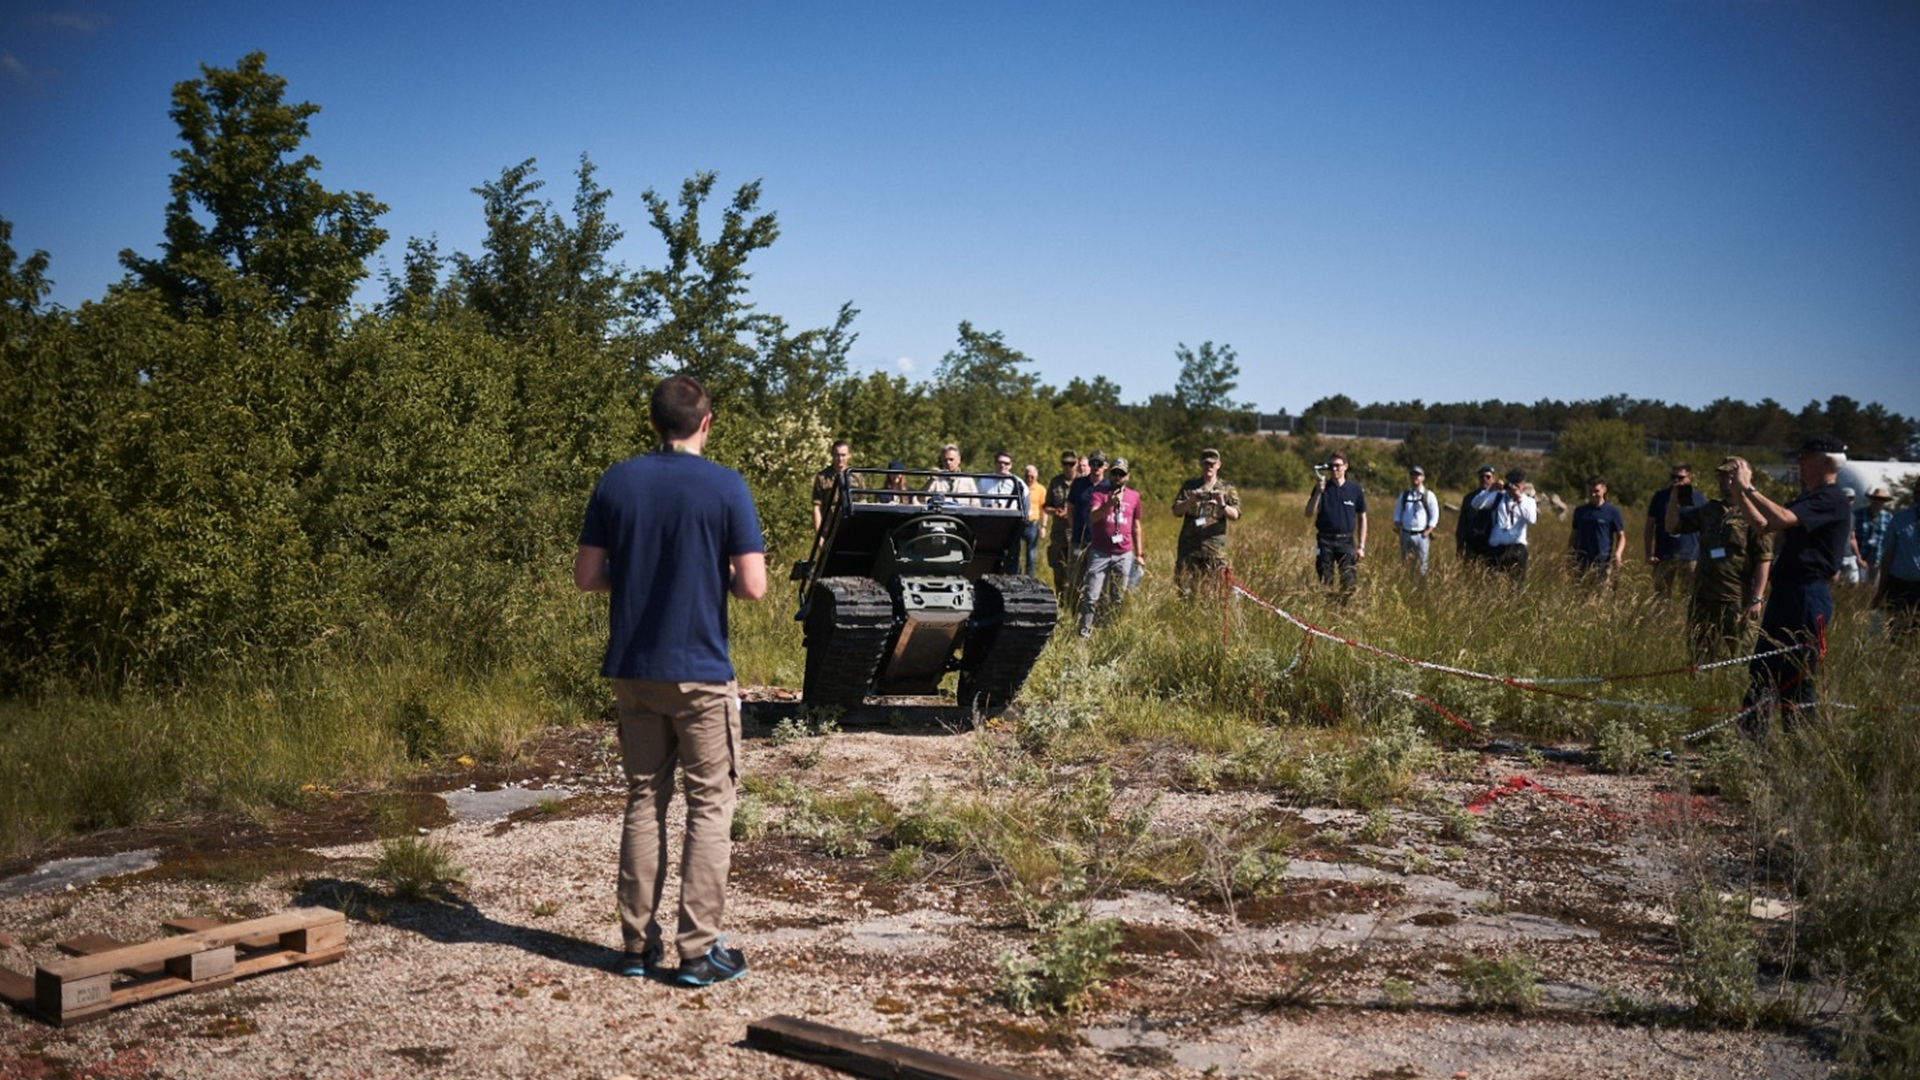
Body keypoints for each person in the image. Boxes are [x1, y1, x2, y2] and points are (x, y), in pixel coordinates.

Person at [573, 374, 767, 987]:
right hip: (701, 671)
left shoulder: (617, 480)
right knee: (709, 805)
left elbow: (587, 576)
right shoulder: (725, 485)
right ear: (706, 422)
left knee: (643, 799)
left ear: (653, 422)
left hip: (633, 668)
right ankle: (698, 952)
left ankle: (636, 946)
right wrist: (717, 582)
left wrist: (636, 580)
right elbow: (754, 585)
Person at [1729, 435, 1852, 735]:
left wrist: (1750, 487)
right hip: (1786, 593)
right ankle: (1751, 743)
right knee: (1763, 667)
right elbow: (1764, 525)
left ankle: (1799, 747)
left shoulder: (1831, 498)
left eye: (1805, 457)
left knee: (1797, 674)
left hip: (1808, 594)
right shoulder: (1807, 499)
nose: (1799, 463)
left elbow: (1783, 517)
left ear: (1828, 462)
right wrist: (1739, 494)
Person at [1668, 457, 1773, 664]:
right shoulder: (1710, 510)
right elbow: (1673, 527)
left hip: (1735, 597)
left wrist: (1757, 598)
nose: (1723, 481)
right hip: (1704, 595)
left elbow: (1764, 558)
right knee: (1700, 652)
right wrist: (1673, 501)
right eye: (1722, 476)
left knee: (1741, 652)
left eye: (1729, 476)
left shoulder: (1753, 513)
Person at [1078, 456, 1143, 637]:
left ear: (1127, 476)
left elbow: (1136, 525)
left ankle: (1111, 631)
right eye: (1114, 473)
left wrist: (1139, 553)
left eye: (1121, 474)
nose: (1117, 477)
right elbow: (1093, 517)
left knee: (1118, 597)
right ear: (1109, 473)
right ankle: (1084, 633)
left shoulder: (1134, 496)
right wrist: (1110, 504)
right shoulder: (1099, 492)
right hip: (1100, 552)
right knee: (1091, 595)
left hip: (1124, 553)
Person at [1172, 447, 1241, 596]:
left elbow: (1235, 515)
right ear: (1201, 465)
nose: (1209, 467)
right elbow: (1176, 511)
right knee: (1186, 591)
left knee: (1216, 591)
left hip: (1215, 549)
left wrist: (1222, 504)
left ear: (1219, 465)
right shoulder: (1190, 486)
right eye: (1206, 463)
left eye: (1212, 464)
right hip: (1189, 548)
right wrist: (1191, 500)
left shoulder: (1227, 488)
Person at [1304, 452, 1367, 593]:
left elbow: (1362, 517)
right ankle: (1329, 608)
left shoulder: (1355, 490)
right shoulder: (1322, 487)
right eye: (1332, 466)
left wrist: (1361, 546)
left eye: (1338, 466)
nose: (1334, 469)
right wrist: (1318, 493)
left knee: (1349, 582)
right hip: (1325, 541)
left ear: (1346, 467)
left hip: (1346, 541)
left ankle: (1342, 606)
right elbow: (1308, 513)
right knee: (1326, 581)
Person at [1645, 463, 1706, 597]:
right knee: (1660, 596)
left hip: (1690, 556)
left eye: (1680, 477)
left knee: (1689, 595)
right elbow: (1649, 526)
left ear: (1689, 477)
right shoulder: (1660, 497)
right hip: (1664, 555)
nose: (1676, 480)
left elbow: (1705, 528)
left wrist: (1704, 555)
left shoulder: (1699, 499)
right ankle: (1662, 618)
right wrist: (1649, 553)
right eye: (1673, 477)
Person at [1871, 491, 1920, 643]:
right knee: (1898, 632)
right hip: (1900, 585)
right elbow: (1888, 556)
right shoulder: (1900, 519)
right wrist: (1880, 590)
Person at [1568, 475, 1626, 584]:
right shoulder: (1580, 511)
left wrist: (1618, 554)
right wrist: (1570, 555)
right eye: (1590, 491)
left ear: (1604, 490)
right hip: (1581, 561)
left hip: (1602, 562)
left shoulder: (1612, 512)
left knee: (1599, 594)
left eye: (1596, 491)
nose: (1593, 494)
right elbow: (1574, 534)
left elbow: (1621, 536)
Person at [1486, 468, 1538, 586]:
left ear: (1523, 485)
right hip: (1497, 547)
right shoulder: (1498, 497)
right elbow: (1476, 504)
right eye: (1511, 484)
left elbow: (1531, 520)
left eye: (1517, 485)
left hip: (1517, 547)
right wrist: (1490, 490)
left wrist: (1519, 499)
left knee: (1517, 585)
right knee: (1492, 583)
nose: (1513, 487)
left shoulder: (1528, 501)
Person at [981, 452, 1027, 572]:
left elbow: (1026, 506)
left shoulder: (1018, 483)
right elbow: (976, 503)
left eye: (1006, 463)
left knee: (1012, 558)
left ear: (1011, 465)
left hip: (1011, 525)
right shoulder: (984, 481)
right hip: (989, 525)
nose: (1003, 466)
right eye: (1000, 463)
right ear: (995, 463)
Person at [1391, 465, 1440, 576]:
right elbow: (1397, 513)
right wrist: (1400, 529)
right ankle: (1407, 585)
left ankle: (1421, 588)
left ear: (1423, 478)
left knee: (1422, 566)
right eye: (1413, 475)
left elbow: (1434, 515)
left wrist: (1428, 531)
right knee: (1406, 564)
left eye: (1418, 475)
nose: (1415, 477)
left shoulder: (1429, 495)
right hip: (1406, 534)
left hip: (1421, 535)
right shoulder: (1404, 495)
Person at [1043, 451, 1079, 599]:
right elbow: (1046, 506)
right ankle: (1062, 603)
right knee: (1059, 570)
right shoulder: (1055, 482)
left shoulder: (1082, 483)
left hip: (1076, 533)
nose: (1068, 467)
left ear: (1076, 464)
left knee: (1077, 571)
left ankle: (1076, 603)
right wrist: (1055, 511)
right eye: (1065, 464)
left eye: (1071, 464)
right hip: (1059, 533)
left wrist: (1072, 512)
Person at [810, 440, 860, 535]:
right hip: (829, 531)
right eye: (837, 455)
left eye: (843, 455)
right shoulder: (822, 477)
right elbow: (816, 508)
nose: (840, 459)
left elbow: (862, 503)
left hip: (852, 529)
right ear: (832, 455)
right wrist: (819, 536)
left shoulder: (856, 476)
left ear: (849, 455)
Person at [1456, 465, 1501, 568]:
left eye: (1488, 477)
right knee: (1470, 574)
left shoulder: (1499, 497)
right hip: (1472, 543)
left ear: (1493, 479)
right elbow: (1462, 524)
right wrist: (1460, 546)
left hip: (1491, 543)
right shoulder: (1469, 498)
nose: (1484, 479)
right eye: (1481, 477)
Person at [1855, 486, 1893, 587]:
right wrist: (1857, 556)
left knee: (1872, 588)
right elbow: (1851, 536)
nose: (1878, 502)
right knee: (1857, 586)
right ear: (1871, 499)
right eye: (1876, 499)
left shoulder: (1888, 517)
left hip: (1877, 559)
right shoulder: (1858, 514)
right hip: (1860, 557)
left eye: (1881, 500)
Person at [1023, 464, 1045, 577]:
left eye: (1032, 476)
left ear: (1036, 476)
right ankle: (1014, 574)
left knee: (1031, 553)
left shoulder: (1040, 489)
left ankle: (1029, 576)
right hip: (1020, 523)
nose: (1029, 479)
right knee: (1015, 552)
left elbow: (1043, 509)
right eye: (1027, 476)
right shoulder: (1020, 486)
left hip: (1033, 524)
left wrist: (1043, 527)